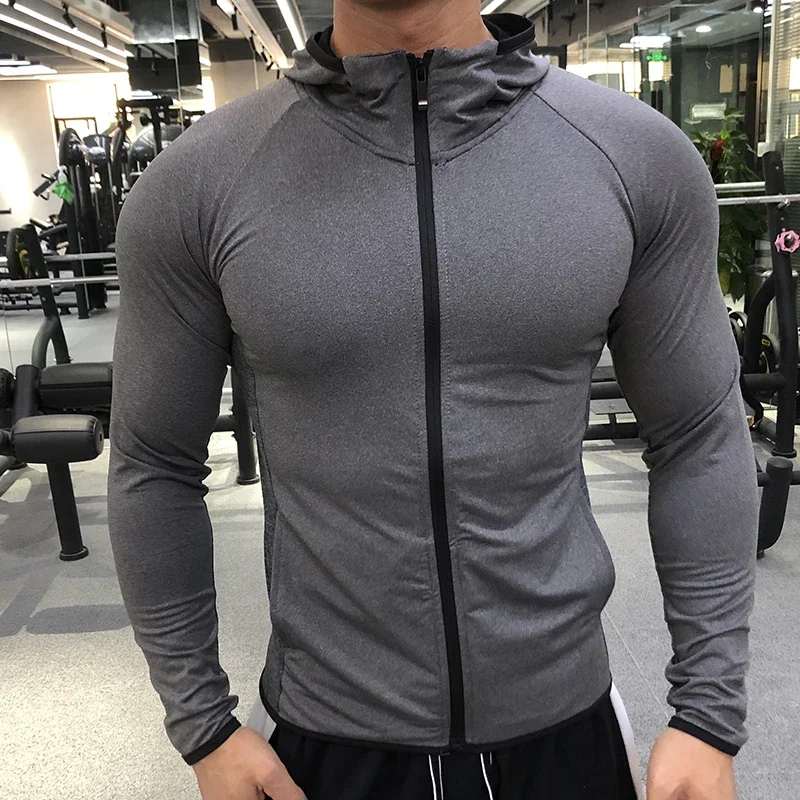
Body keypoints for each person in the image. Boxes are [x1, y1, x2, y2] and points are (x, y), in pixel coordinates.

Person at [106, 0, 759, 798]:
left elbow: (698, 437)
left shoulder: (635, 156)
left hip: (565, 729)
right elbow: (152, 464)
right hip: (326, 742)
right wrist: (203, 724)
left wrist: (708, 713)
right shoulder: (199, 180)